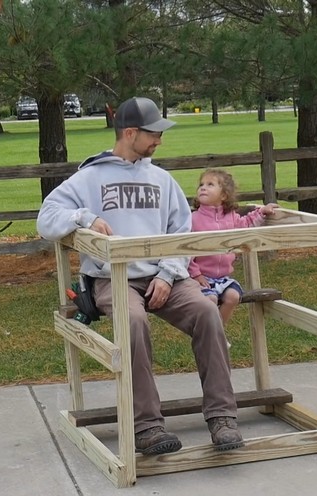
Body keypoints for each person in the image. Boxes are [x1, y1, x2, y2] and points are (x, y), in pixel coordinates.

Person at [36, 96, 245, 454]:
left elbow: (181, 232)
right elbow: (47, 217)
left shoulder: (162, 180)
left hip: (166, 276)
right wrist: (84, 218)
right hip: (112, 278)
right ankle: (147, 427)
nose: (159, 141)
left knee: (208, 313)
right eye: (153, 134)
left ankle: (223, 418)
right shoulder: (90, 177)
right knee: (133, 322)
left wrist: (167, 274)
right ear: (129, 132)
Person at [188, 169, 278, 329]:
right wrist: (196, 274)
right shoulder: (193, 219)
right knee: (211, 300)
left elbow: (246, 225)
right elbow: (186, 251)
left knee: (233, 296)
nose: (203, 188)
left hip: (223, 277)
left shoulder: (231, 218)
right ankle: (209, 334)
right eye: (201, 184)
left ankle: (218, 331)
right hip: (200, 278)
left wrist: (262, 212)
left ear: (224, 195)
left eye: (210, 184)